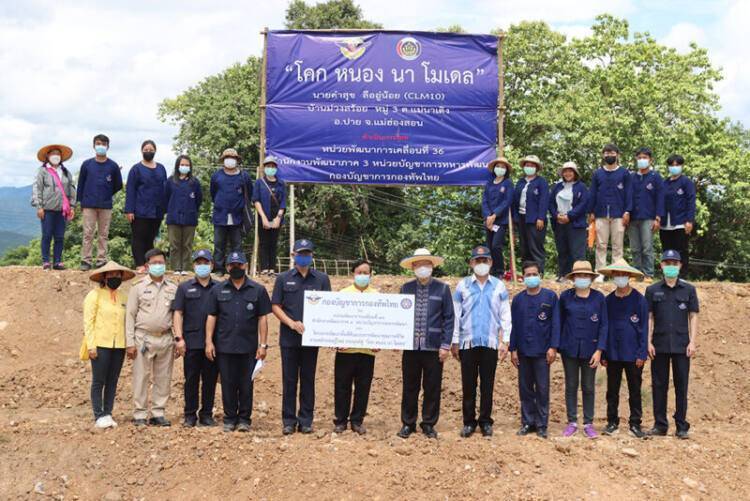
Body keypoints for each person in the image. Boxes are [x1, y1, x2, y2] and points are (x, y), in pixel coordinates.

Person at [205, 251, 271, 432]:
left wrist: (263, 345)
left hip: (248, 347)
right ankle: (229, 418)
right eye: (232, 265)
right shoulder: (217, 290)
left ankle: (244, 419)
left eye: (239, 264)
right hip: (224, 346)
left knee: (246, 385)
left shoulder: (258, 290)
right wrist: (209, 342)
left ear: (246, 266)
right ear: (227, 267)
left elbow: (262, 318)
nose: (236, 268)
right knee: (227, 383)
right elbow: (211, 316)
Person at [271, 239, 331, 435]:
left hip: (311, 339)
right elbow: (275, 306)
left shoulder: (322, 279)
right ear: (293, 255)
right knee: (289, 380)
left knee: (308, 380)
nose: (304, 257)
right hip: (289, 339)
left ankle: (306, 420)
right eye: (300, 253)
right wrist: (291, 323)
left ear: (312, 256)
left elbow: (329, 306)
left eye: (307, 254)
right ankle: (288, 421)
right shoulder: (283, 278)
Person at [451, 245, 511, 438]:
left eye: (485, 260)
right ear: (471, 263)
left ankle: (485, 421)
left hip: (490, 342)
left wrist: (505, 341)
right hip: (467, 342)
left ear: (491, 263)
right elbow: (455, 315)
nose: (481, 264)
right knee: (468, 384)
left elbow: (505, 315)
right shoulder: (462, 286)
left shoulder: (499, 286)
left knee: (487, 384)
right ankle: (469, 422)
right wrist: (454, 341)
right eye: (478, 261)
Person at [396, 248, 454, 439]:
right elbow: (397, 317)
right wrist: (396, 338)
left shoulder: (443, 288)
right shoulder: (405, 289)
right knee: (410, 386)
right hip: (411, 347)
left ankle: (428, 423)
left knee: (432, 387)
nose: (423, 267)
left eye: (426, 264)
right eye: (419, 264)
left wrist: (445, 345)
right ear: (413, 267)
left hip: (433, 347)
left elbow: (449, 318)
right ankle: (408, 423)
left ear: (432, 266)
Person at [646, 250, 699, 439]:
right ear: (661, 265)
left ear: (680, 266)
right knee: (659, 386)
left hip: (682, 345)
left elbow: (693, 316)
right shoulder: (652, 290)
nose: (671, 266)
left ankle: (681, 426)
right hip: (659, 345)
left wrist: (693, 341)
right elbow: (649, 317)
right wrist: (648, 341)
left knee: (681, 386)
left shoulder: (689, 289)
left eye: (674, 263)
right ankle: (660, 425)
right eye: (667, 263)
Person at [125, 248, 179, 426]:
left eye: (161, 263)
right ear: (147, 266)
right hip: (143, 338)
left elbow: (177, 315)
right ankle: (140, 413)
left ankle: (158, 412)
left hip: (166, 338)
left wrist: (178, 339)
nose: (158, 266)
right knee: (141, 376)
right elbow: (130, 315)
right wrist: (130, 342)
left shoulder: (173, 287)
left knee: (163, 377)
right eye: (154, 263)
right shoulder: (138, 287)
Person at [80, 261, 135, 428]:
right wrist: (91, 345)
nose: (114, 277)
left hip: (119, 345)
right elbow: (88, 322)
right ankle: (98, 415)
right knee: (99, 380)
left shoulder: (124, 297)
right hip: (100, 344)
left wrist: (129, 343)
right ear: (104, 277)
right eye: (111, 274)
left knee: (113, 380)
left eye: (117, 274)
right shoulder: (94, 295)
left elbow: (129, 321)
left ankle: (108, 413)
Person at [509, 260, 560, 439]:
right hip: (523, 351)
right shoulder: (518, 300)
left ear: (540, 276)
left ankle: (541, 424)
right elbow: (514, 326)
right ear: (523, 277)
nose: (531, 277)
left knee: (542, 389)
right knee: (525, 389)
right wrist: (513, 349)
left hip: (542, 351)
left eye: (534, 274)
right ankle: (527, 422)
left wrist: (553, 347)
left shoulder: (550, 297)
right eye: (528, 275)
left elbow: (556, 324)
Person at [558, 260, 607, 438]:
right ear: (573, 278)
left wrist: (599, 350)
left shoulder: (599, 298)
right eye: (579, 275)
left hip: (591, 350)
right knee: (571, 385)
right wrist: (557, 346)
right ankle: (572, 421)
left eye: (586, 275)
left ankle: (588, 423)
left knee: (588, 386)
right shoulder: (565, 297)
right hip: (569, 348)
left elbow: (604, 325)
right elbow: (559, 322)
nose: (582, 278)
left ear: (591, 278)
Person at [599, 259, 648, 438]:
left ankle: (635, 423)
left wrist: (642, 353)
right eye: (617, 274)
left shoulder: (639, 300)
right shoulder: (608, 301)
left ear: (629, 276)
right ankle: (612, 421)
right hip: (613, 352)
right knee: (612, 390)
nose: (620, 277)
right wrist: (603, 352)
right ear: (613, 276)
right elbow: (604, 327)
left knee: (635, 389)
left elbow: (644, 328)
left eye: (623, 274)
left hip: (633, 353)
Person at [171, 249, 219, 427]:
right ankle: (190, 415)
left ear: (212, 265)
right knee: (191, 379)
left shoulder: (219, 287)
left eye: (206, 263)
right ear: (193, 265)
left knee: (210, 380)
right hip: (191, 342)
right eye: (199, 263)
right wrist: (179, 338)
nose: (202, 266)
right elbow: (178, 313)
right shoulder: (184, 287)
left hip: (212, 343)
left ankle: (206, 414)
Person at [333, 259, 377, 435]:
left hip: (367, 351)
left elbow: (382, 323)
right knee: (342, 386)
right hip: (346, 350)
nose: (363, 276)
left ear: (371, 275)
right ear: (353, 274)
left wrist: (380, 341)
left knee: (363, 387)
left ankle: (357, 421)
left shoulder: (378, 297)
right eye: (359, 272)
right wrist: (336, 340)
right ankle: (340, 421)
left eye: (366, 273)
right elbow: (335, 320)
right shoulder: (342, 294)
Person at [76, 134, 123, 271]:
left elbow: (118, 184)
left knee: (103, 234)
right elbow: (81, 184)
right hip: (88, 204)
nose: (100, 146)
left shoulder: (113, 166)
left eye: (103, 144)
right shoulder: (87, 164)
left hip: (106, 205)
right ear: (93, 146)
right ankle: (86, 260)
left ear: (108, 146)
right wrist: (80, 202)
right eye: (98, 143)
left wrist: (107, 193)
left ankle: (101, 260)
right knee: (88, 233)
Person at [588, 144, 632, 280]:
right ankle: (600, 273)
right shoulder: (597, 173)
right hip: (600, 213)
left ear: (617, 155)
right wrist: (591, 211)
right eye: (606, 153)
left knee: (617, 245)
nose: (609, 155)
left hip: (619, 213)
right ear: (603, 155)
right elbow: (592, 193)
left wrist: (627, 211)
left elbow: (629, 193)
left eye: (612, 153)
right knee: (601, 244)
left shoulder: (624, 173)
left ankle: (617, 273)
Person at [125, 140, 167, 273]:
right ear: (142, 151)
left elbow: (165, 189)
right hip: (140, 210)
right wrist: (129, 210)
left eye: (151, 150)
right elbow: (130, 190)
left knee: (150, 238)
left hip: (157, 211)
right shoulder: (136, 169)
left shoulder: (161, 168)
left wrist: (164, 208)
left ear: (155, 151)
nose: (148, 152)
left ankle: (149, 264)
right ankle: (139, 264)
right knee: (139, 238)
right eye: (146, 150)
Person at [32, 144, 76, 270]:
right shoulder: (42, 171)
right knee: (46, 235)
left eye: (58, 153)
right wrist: (39, 206)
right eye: (53, 153)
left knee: (59, 236)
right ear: (47, 156)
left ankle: (57, 262)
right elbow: (37, 188)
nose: (55, 156)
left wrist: (72, 206)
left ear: (61, 156)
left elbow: (72, 190)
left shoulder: (66, 172)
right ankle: (46, 261)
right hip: (47, 209)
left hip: (62, 209)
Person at [210, 148, 253, 274]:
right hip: (220, 215)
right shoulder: (216, 176)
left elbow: (249, 194)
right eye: (227, 158)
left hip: (237, 216)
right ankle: (219, 269)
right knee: (219, 244)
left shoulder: (244, 176)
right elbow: (213, 193)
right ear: (223, 160)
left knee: (237, 245)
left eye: (232, 158)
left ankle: (236, 269)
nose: (230, 160)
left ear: (237, 160)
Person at [549, 161, 589, 281]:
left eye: (570, 171)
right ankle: (563, 274)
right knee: (562, 250)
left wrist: (569, 216)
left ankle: (579, 276)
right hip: (559, 223)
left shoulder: (581, 187)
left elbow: (583, 204)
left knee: (577, 251)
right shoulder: (557, 187)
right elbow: (550, 203)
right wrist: (556, 215)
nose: (567, 173)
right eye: (565, 171)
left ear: (575, 173)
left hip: (576, 224)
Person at [629, 148, 663, 282]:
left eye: (645, 157)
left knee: (647, 247)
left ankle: (648, 274)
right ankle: (636, 273)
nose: (642, 160)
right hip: (632, 218)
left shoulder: (656, 177)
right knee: (634, 248)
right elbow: (627, 197)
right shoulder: (631, 177)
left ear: (650, 160)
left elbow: (660, 198)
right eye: (639, 158)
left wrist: (658, 217)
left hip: (648, 217)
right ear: (636, 159)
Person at [164, 155, 203, 275]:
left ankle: (185, 268)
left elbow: (198, 200)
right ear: (177, 166)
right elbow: (165, 198)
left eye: (187, 165)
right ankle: (176, 268)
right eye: (182, 165)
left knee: (187, 244)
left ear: (190, 167)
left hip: (190, 218)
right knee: (174, 245)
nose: (184, 167)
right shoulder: (170, 181)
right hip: (173, 217)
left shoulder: (194, 182)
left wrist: (191, 209)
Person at [512, 155, 549, 275]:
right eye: (527, 165)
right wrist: (515, 218)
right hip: (521, 218)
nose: (529, 167)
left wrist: (541, 217)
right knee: (524, 246)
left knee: (535, 246)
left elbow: (544, 200)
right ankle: (526, 272)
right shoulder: (520, 182)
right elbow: (515, 200)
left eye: (532, 165)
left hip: (535, 219)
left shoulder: (541, 182)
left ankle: (539, 271)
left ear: (536, 168)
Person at [659, 155, 695, 275]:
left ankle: (682, 275)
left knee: (681, 250)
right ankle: (669, 275)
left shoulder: (686, 182)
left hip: (680, 222)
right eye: (672, 165)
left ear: (681, 166)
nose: (674, 167)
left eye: (677, 165)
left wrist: (689, 220)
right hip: (665, 223)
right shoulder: (664, 183)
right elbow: (660, 202)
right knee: (667, 251)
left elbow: (691, 202)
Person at [253, 155, 286, 275]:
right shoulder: (259, 183)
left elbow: (283, 202)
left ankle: (272, 269)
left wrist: (278, 218)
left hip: (277, 218)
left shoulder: (281, 183)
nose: (270, 168)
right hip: (263, 218)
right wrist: (263, 217)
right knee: (263, 243)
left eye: (273, 166)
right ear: (264, 168)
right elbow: (256, 200)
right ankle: (264, 269)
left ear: (276, 168)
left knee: (273, 243)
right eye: (268, 166)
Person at [481, 157, 514, 278]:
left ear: (506, 170)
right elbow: (484, 201)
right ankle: (491, 270)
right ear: (494, 168)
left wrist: (494, 215)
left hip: (501, 221)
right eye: (498, 166)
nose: (500, 169)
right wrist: (488, 216)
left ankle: (499, 271)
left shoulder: (508, 183)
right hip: (488, 220)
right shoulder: (489, 183)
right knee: (489, 246)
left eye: (503, 167)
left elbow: (507, 201)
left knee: (496, 246)